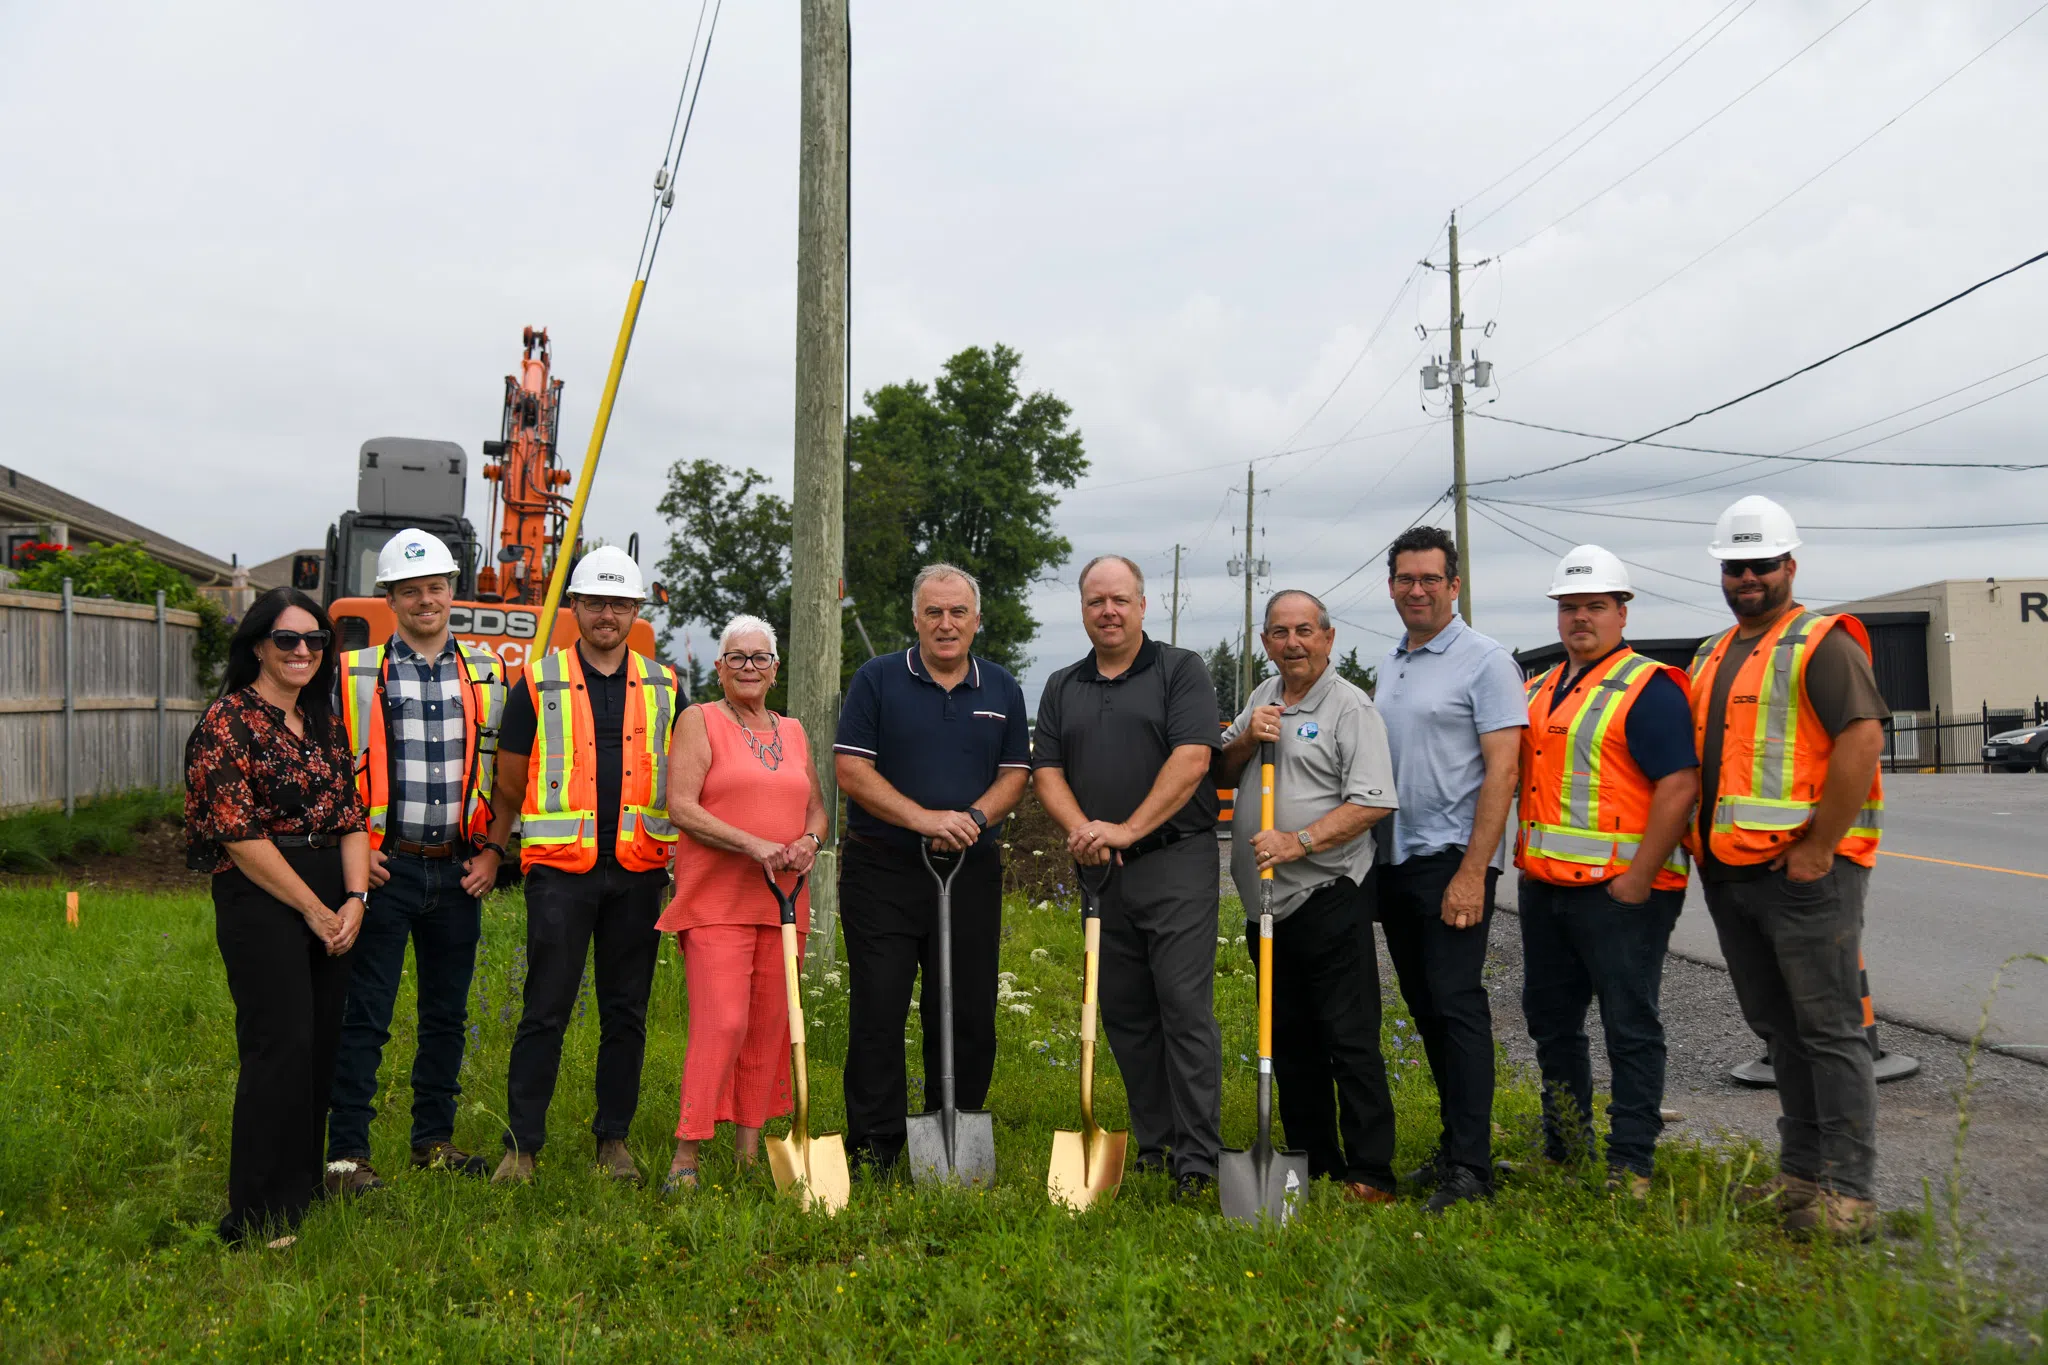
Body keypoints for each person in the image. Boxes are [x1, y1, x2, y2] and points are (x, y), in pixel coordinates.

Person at [1687, 496, 1887, 1240]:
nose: (1747, 577)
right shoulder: (1712, 652)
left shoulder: (1822, 642)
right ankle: (1803, 1176)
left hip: (1806, 877)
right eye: (1735, 565)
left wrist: (1817, 846)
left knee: (1830, 1030)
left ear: (1789, 566)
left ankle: (1850, 1191)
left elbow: (1861, 742)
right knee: (1780, 1030)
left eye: (1761, 564)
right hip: (1733, 873)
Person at [486, 547, 682, 1184]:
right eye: (595, 602)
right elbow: (510, 780)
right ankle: (523, 1147)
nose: (606, 614)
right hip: (560, 874)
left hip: (637, 869)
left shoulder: (665, 685)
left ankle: (613, 1141)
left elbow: (685, 775)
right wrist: (498, 845)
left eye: (619, 604)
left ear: (634, 612)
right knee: (545, 1008)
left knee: (626, 1010)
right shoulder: (537, 681)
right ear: (574, 607)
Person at [1032, 555, 1223, 1199]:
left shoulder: (1181, 671)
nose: (1108, 611)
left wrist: (1128, 829)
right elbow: (1047, 771)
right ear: (1082, 610)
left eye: (1119, 599)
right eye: (1095, 602)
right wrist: (1084, 830)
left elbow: (1193, 760)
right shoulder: (1062, 685)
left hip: (1174, 861)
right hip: (1099, 869)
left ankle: (1198, 1158)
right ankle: (1156, 1141)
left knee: (1183, 1007)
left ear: (1143, 605)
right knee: (1125, 1012)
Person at [184, 587, 369, 1247]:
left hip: (331, 893)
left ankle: (300, 1191)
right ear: (258, 644)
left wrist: (354, 900)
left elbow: (351, 815)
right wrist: (317, 908)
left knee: (320, 1043)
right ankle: (255, 1214)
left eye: (315, 640)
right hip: (261, 892)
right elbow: (237, 833)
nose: (302, 651)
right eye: (288, 639)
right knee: (279, 1045)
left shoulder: (322, 720)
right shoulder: (228, 721)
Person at [832, 564, 1031, 1175]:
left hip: (968, 867)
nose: (946, 625)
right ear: (915, 618)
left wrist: (971, 816)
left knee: (969, 1008)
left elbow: (1015, 774)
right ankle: (877, 1144)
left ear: (976, 620)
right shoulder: (879, 679)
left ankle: (954, 1125)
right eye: (934, 613)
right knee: (879, 1007)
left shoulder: (1001, 688)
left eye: (958, 613)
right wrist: (923, 818)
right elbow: (851, 769)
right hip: (883, 869)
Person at [326, 528, 507, 1192]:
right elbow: (333, 774)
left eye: (434, 586)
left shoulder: (488, 672)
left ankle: (433, 1140)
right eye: (410, 590)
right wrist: (357, 855)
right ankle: (347, 1155)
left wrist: (493, 852)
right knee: (365, 1015)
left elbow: (508, 774)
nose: (425, 599)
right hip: (384, 868)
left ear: (452, 590)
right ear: (391, 598)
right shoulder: (356, 672)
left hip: (460, 869)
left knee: (445, 1015)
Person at [1515, 547, 1699, 1198]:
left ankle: (1631, 1163)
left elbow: (1679, 785)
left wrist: (1638, 877)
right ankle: (1567, 1144)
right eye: (1569, 608)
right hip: (1547, 889)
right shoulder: (1539, 689)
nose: (1580, 619)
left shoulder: (1648, 687)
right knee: (1552, 1021)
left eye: (1594, 606)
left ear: (1622, 611)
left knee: (1629, 1024)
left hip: (1622, 894)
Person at [1213, 589, 1400, 1204]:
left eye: (1304, 631)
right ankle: (1314, 1159)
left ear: (1327, 637)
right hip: (1265, 907)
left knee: (1346, 1038)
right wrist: (1246, 739)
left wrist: (1301, 841)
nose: (1292, 643)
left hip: (1326, 895)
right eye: (1279, 633)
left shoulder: (1351, 708)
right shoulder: (1262, 697)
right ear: (1265, 642)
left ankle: (1371, 1171)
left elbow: (1373, 801)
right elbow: (1223, 771)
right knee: (1286, 1037)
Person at [1374, 526, 1526, 1212]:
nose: (1417, 590)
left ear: (1454, 584)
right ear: (1392, 586)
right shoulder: (1393, 663)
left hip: (1452, 862)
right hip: (1397, 861)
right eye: (1405, 579)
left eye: (1430, 578)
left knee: (1458, 1005)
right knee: (1428, 1007)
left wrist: (1475, 871)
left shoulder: (1485, 661)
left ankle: (1473, 1169)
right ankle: (1454, 1142)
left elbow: (1504, 769)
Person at [655, 615, 829, 1193]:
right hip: (716, 901)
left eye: (759, 658)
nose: (749, 667)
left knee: (769, 1025)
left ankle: (749, 1152)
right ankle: (687, 1151)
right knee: (721, 1023)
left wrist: (808, 843)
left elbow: (817, 812)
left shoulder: (795, 731)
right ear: (720, 667)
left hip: (783, 904)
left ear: (775, 669)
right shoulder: (699, 721)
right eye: (737, 658)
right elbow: (681, 806)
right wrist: (754, 844)